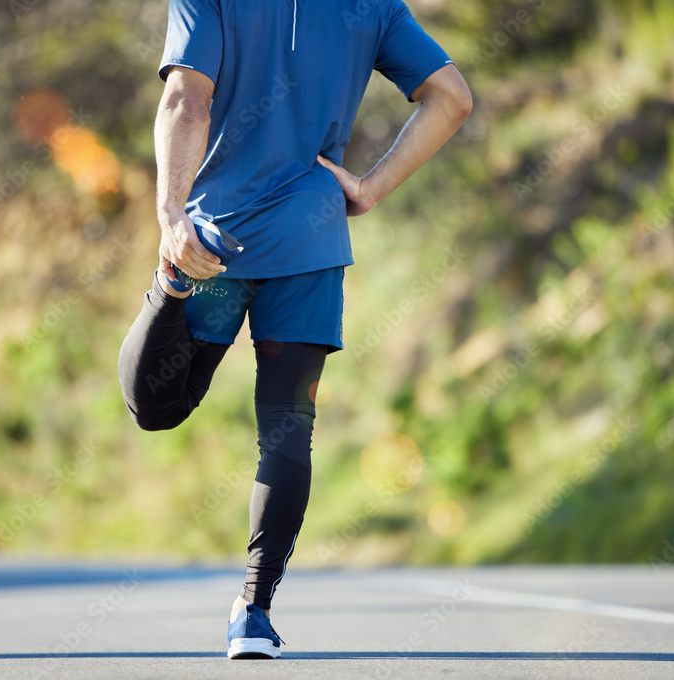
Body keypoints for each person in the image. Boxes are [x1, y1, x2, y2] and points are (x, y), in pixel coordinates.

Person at [118, 0, 471, 660]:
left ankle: (168, 287)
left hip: (212, 245)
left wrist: (171, 217)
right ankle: (253, 613)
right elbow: (450, 97)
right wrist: (370, 188)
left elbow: (184, 101)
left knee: (157, 406)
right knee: (286, 424)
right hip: (309, 239)